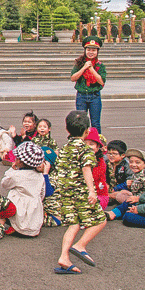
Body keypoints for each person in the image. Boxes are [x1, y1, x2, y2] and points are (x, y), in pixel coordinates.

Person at [53, 110, 107, 275]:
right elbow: (86, 169)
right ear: (86, 131)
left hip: (65, 192)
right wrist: (92, 191)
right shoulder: (85, 149)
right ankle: (80, 245)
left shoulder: (64, 148)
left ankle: (64, 257)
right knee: (100, 220)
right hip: (80, 191)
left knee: (74, 224)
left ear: (67, 129)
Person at [1, 141, 46, 237]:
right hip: (34, 211)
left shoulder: (18, 175)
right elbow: (42, 193)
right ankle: (28, 227)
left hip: (20, 210)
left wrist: (12, 170)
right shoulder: (39, 176)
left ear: (19, 161)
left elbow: (4, 184)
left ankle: (12, 224)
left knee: (12, 193)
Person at [71, 35, 106, 133]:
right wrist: (84, 67)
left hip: (94, 96)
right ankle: (81, 142)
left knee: (95, 122)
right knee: (80, 121)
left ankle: (97, 143)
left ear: (97, 52)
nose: (91, 52)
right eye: (89, 50)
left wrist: (91, 69)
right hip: (81, 96)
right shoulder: (79, 63)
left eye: (94, 50)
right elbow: (73, 78)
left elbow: (101, 81)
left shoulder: (100, 65)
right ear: (85, 50)